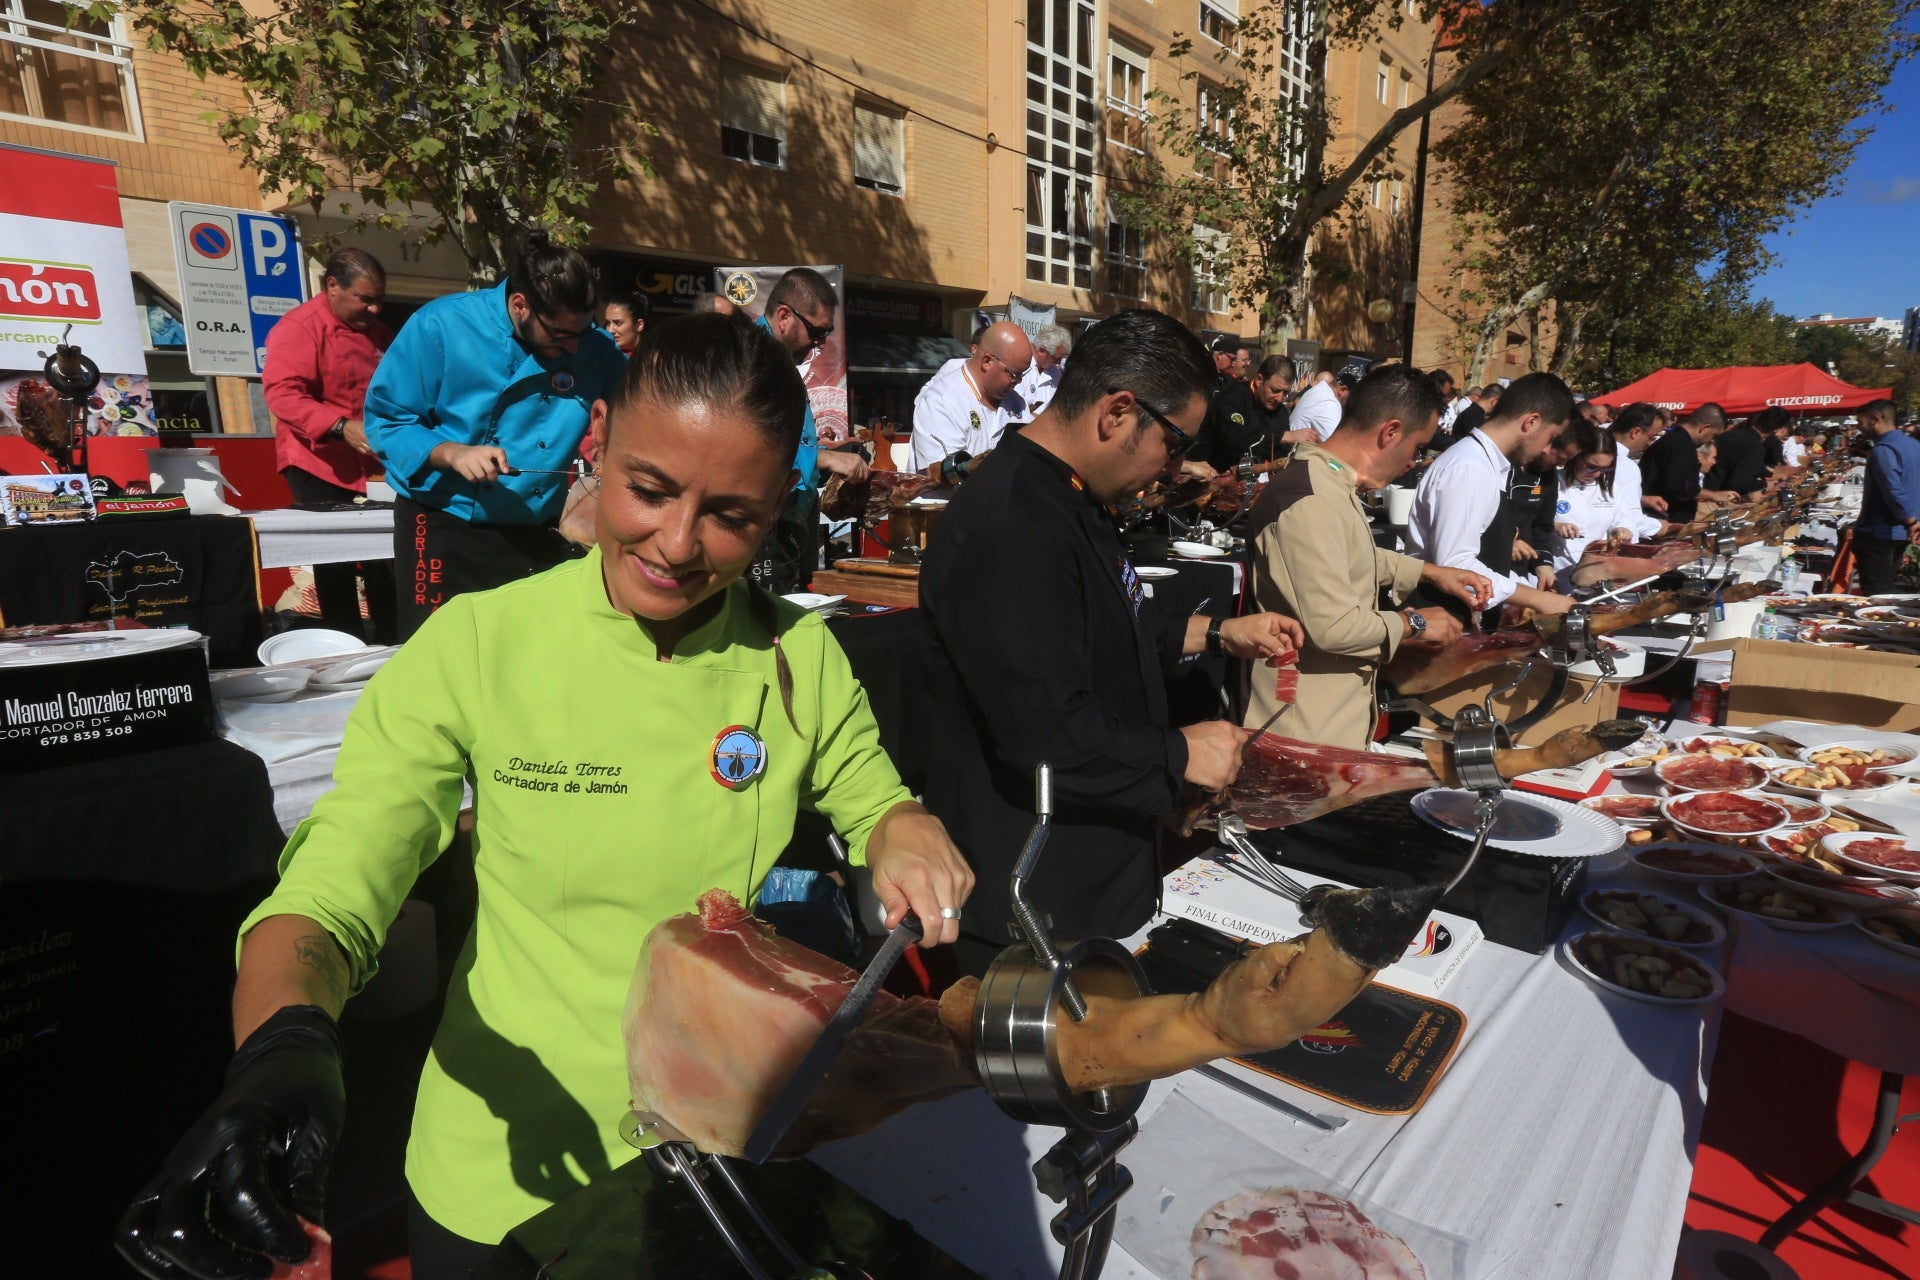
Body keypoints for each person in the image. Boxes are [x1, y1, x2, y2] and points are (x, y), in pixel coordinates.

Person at [115, 313, 976, 1280]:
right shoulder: (480, 641)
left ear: (780, 503)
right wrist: (283, 1045)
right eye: (649, 489)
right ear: (597, 439)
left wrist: (905, 825)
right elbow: (344, 870)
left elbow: (870, 793)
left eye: (732, 515)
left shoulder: (798, 653)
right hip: (500, 1167)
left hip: (713, 1152)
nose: (677, 544)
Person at [919, 309, 1304, 976]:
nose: (1172, 467)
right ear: (1118, 412)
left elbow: (1115, 624)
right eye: (1174, 444)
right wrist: (1181, 753)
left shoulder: (1073, 497)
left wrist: (1217, 632)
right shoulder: (1016, 523)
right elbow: (1049, 734)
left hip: (1094, 877)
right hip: (1038, 906)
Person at [364, 230, 627, 638]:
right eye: (560, 335)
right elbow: (387, 422)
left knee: (524, 646)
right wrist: (452, 452)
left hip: (537, 528)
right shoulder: (441, 325)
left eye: (583, 332)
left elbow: (633, 411)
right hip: (443, 522)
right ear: (520, 306)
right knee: (439, 648)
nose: (575, 348)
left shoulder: (595, 348)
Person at [1242, 366, 1488, 749]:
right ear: (1390, 432)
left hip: (1326, 724)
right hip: (1300, 732)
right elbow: (1333, 626)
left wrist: (1430, 572)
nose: (1413, 462)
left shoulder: (1330, 484)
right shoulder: (1313, 500)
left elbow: (1351, 555)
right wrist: (1416, 623)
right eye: (1417, 448)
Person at [262, 247, 396, 641]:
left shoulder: (379, 333)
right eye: (365, 299)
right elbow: (283, 394)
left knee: (384, 556)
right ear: (332, 286)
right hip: (316, 462)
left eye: (379, 300)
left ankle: (393, 641)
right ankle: (345, 645)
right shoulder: (298, 328)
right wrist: (339, 426)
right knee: (333, 562)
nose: (374, 309)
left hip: (371, 464)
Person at [1406, 372, 1577, 625]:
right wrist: (1536, 599)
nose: (1545, 449)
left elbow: (1486, 555)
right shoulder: (1469, 467)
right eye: (1550, 438)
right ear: (1531, 422)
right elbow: (1455, 564)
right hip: (1440, 618)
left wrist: (1523, 590)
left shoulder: (1489, 464)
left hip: (1463, 616)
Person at [909, 320, 1034, 472]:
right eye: (1014, 375)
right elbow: (945, 475)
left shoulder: (1018, 404)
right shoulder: (941, 401)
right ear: (987, 361)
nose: (1019, 382)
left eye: (1022, 375)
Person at [1196, 354, 1313, 471]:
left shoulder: (1281, 412)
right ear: (1259, 380)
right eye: (1275, 390)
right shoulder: (1233, 398)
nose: (1279, 398)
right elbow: (1234, 436)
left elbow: (1282, 456)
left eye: (1285, 393)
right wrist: (1282, 436)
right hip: (1216, 473)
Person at [1549, 421, 1635, 575]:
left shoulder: (1611, 489)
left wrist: (1622, 531)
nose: (1597, 474)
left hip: (1593, 571)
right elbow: (1530, 521)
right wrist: (1554, 526)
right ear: (1576, 456)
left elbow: (1623, 521)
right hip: (1555, 568)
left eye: (1605, 469)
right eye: (1591, 467)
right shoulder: (1551, 482)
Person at [1854, 399, 1920, 596]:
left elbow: (1893, 489)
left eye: (1860, 422)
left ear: (1876, 419)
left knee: (1877, 594)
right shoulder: (1913, 445)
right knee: (1886, 590)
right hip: (1900, 530)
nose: (1859, 427)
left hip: (1881, 531)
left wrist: (1910, 520)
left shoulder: (1884, 450)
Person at [1640, 403, 1724, 524]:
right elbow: (1681, 487)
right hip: (1665, 518)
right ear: (1705, 428)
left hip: (1663, 515)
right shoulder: (1681, 445)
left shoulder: (1676, 439)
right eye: (1714, 435)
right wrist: (1714, 495)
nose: (1711, 439)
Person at [1603, 403, 1673, 539]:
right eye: (1652, 437)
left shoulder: (1588, 452)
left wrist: (1642, 499)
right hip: (1609, 541)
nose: (1650, 443)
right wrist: (1659, 526)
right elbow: (1631, 519)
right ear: (1635, 432)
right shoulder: (1626, 466)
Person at [1701, 408, 1773, 503]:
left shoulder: (1726, 438)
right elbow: (1738, 483)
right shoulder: (1753, 445)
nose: (1714, 462)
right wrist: (1765, 484)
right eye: (1713, 458)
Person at [1012, 324, 1071, 421]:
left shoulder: (1055, 373)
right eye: (1056, 359)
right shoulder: (1019, 366)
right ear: (1042, 350)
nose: (1059, 363)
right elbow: (1012, 408)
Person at [1290, 369, 1357, 443]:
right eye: (1351, 396)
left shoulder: (1318, 390)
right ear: (1342, 390)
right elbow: (1335, 443)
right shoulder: (1330, 401)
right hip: (1298, 447)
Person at [600, 290, 650, 355]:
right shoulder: (601, 354)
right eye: (608, 323)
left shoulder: (653, 358)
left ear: (639, 325)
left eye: (618, 323)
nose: (610, 330)